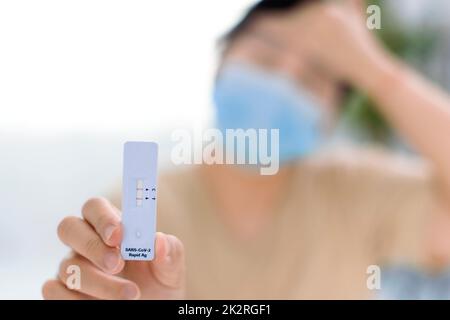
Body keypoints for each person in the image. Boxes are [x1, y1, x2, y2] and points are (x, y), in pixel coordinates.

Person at [42, 0, 450, 299]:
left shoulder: (358, 190)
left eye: (314, 77)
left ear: (330, 117)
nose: (283, 83)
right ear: (221, 62)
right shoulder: (137, 214)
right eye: (267, 56)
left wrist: (373, 69)